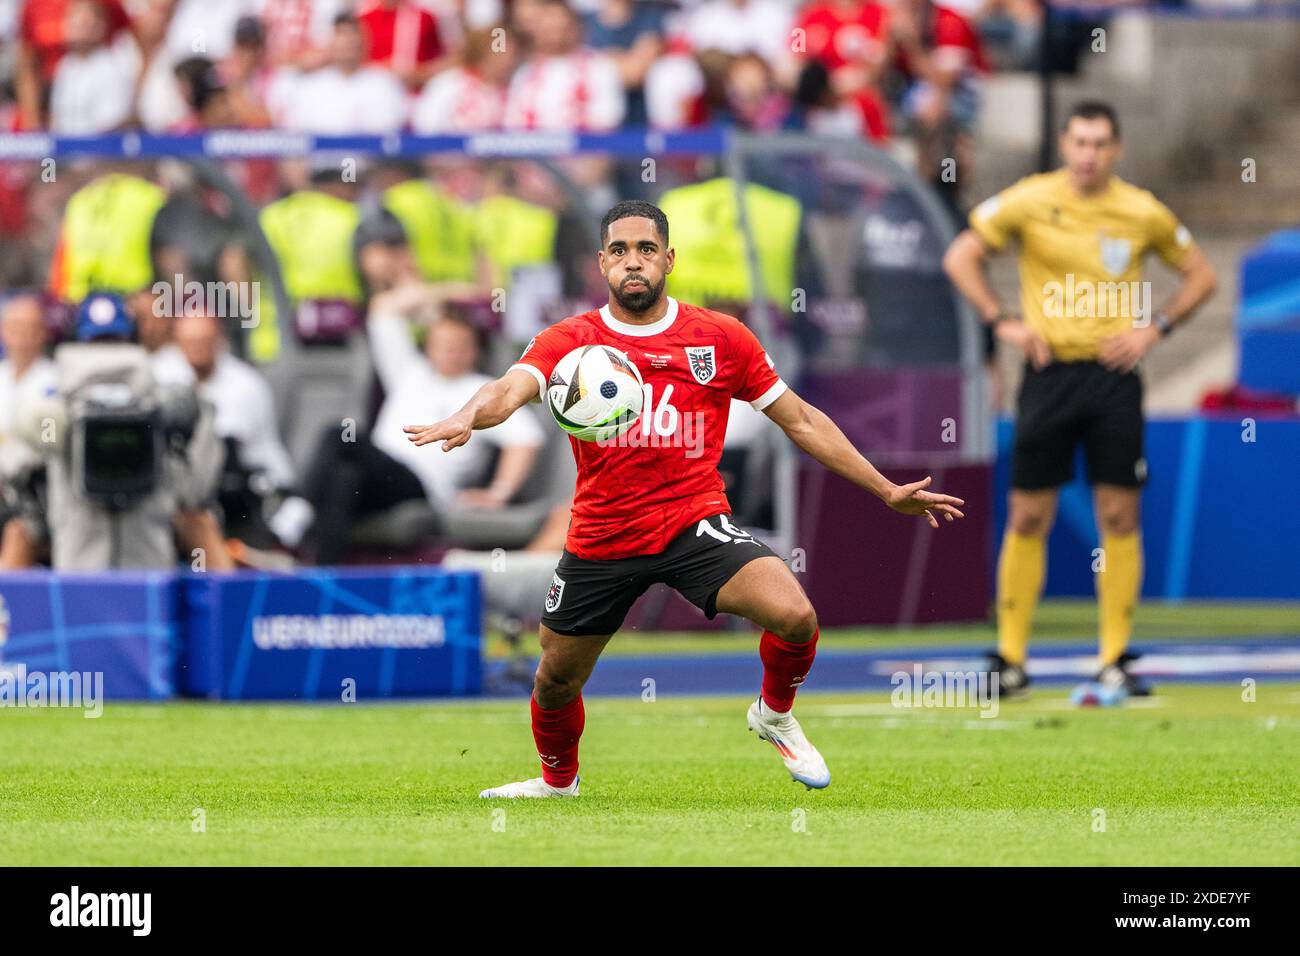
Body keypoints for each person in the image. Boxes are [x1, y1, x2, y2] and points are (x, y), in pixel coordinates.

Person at [405, 200, 965, 797]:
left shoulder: (721, 338)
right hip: (602, 535)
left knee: (796, 616)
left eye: (646, 249)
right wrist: (469, 414)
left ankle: (773, 713)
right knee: (555, 681)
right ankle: (557, 781)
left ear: (669, 258)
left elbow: (800, 420)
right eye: (619, 251)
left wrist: (884, 488)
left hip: (693, 521)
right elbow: (510, 389)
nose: (633, 262)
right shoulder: (571, 341)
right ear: (601, 264)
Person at [942, 101, 1218, 697]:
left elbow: (1202, 276)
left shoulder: (1140, 210)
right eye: (1079, 142)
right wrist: (1003, 321)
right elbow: (960, 256)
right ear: (1064, 146)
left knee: (1119, 513)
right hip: (1049, 373)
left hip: (1114, 379)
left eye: (1100, 144)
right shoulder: (1030, 199)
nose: (1089, 154)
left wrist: (1155, 328)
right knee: (1028, 513)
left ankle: (1114, 657)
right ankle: (1011, 658)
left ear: (1116, 150)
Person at [294, 283, 545, 564]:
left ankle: (296, 511)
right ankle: (323, 578)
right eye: (443, 345)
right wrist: (452, 293)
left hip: (421, 486)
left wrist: (499, 493)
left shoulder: (484, 390)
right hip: (375, 475)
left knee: (339, 435)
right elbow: (383, 308)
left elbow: (526, 438)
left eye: (460, 346)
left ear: (475, 350)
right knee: (343, 477)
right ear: (428, 347)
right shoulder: (408, 372)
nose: (451, 353)